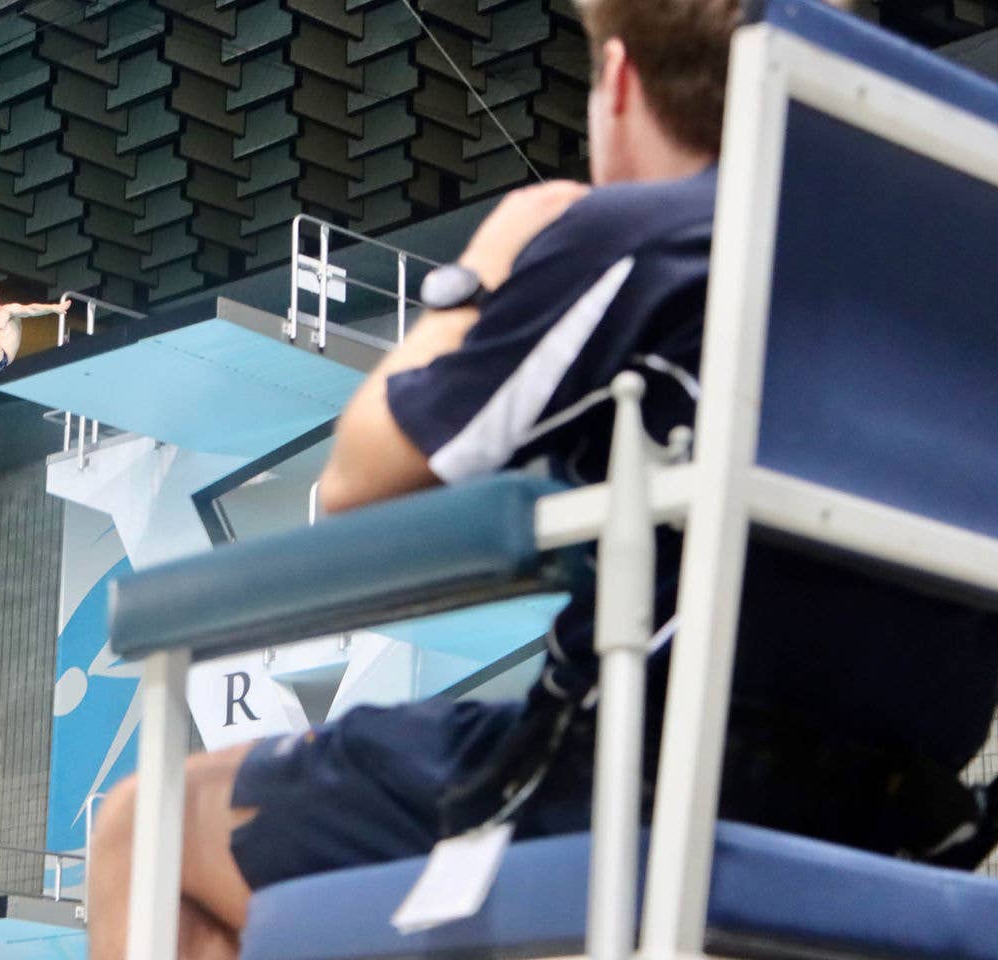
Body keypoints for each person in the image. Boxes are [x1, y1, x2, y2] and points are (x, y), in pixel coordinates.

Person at [87, 1, 998, 958]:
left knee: (146, 825)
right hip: (905, 830)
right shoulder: (957, 315)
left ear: (615, 84)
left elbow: (360, 479)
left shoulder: (648, 236)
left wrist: (482, 268)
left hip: (624, 800)